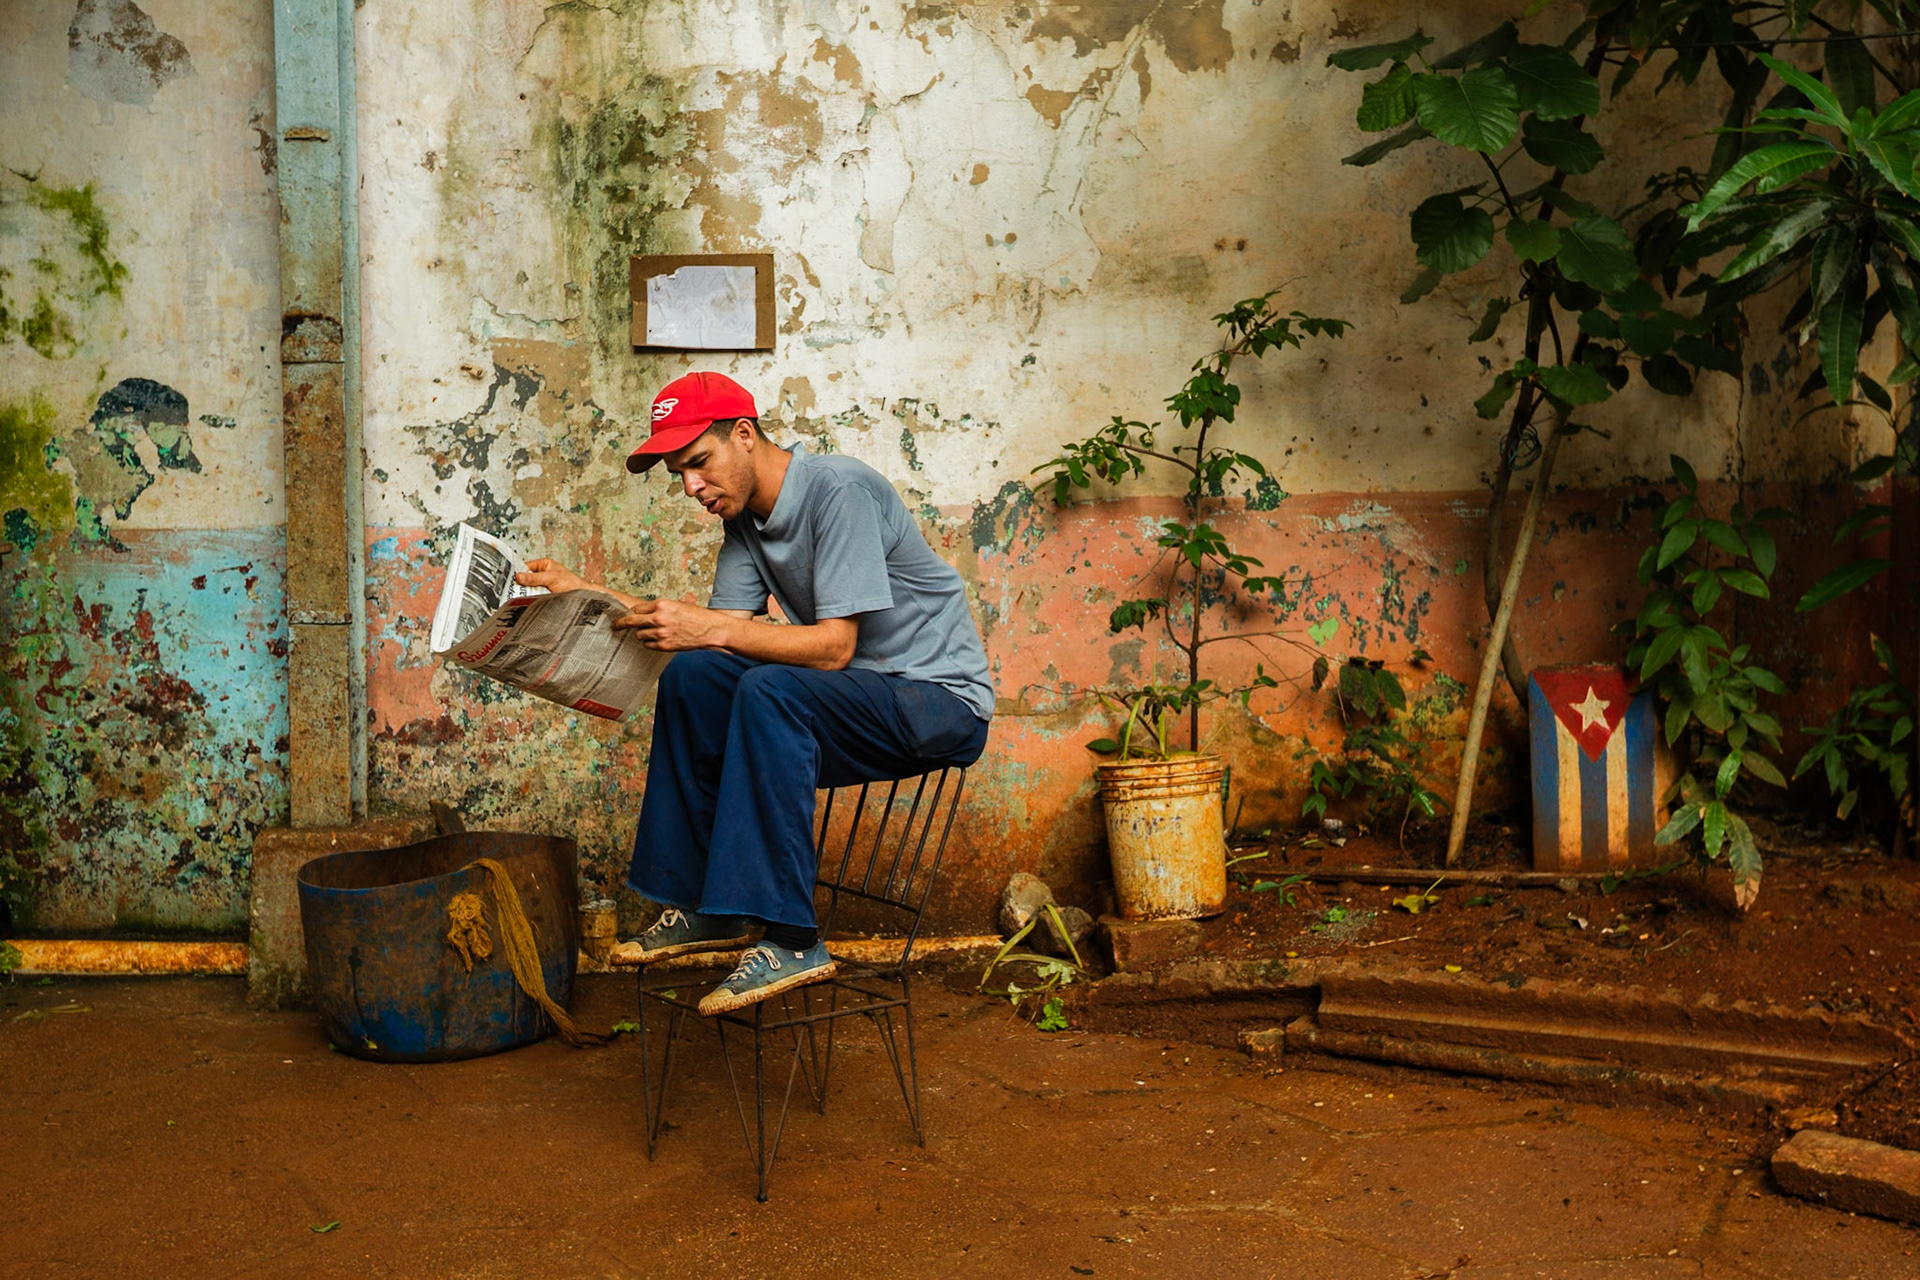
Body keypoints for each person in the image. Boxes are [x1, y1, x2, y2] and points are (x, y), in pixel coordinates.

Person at [515, 371, 993, 1014]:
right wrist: (585, 593)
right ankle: (710, 908)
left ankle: (795, 940)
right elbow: (714, 639)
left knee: (768, 690)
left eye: (700, 462)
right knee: (693, 674)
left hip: (936, 700)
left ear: (745, 435)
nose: (691, 486)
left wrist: (708, 628)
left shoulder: (840, 490)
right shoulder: (745, 524)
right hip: (858, 695)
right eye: (679, 473)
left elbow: (833, 648)